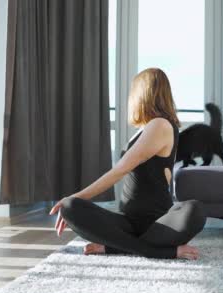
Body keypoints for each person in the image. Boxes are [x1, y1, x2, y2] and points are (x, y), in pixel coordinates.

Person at [49, 68, 205, 260]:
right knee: (70, 208)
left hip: (159, 224)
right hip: (128, 224)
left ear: (141, 94)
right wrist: (71, 202)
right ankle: (137, 246)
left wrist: (77, 195)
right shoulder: (144, 129)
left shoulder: (160, 125)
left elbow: (120, 170)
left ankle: (132, 249)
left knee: (194, 210)